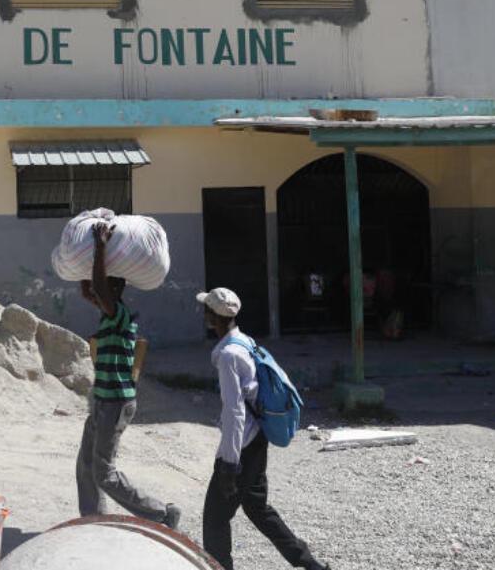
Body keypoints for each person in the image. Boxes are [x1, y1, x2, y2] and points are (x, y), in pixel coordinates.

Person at [197, 286, 331, 570]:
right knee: (258, 509)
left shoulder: (228, 356)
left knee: (215, 520)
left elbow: (234, 413)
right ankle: (312, 566)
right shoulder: (246, 342)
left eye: (206, 309)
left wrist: (229, 465)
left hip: (242, 448)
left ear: (212, 317)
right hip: (258, 441)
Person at [75, 222, 181, 531]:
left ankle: (162, 513)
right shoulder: (108, 311)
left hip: (115, 404)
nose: (96, 292)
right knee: (86, 465)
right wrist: (86, 262)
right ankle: (93, 520)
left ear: (115, 290)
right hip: (102, 400)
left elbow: (96, 285)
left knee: (104, 472)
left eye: (104, 287)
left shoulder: (118, 314)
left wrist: (99, 246)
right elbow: (88, 287)